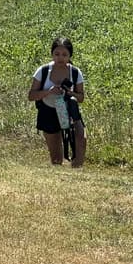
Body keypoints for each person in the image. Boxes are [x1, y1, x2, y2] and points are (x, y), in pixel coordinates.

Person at [27, 36, 86, 168]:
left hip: (69, 111)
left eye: (64, 55)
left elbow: (81, 98)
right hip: (48, 111)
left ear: (70, 55)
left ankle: (77, 170)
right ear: (52, 54)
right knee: (56, 159)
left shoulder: (75, 72)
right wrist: (49, 91)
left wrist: (70, 93)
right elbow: (31, 96)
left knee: (81, 139)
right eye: (57, 54)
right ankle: (59, 174)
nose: (60, 58)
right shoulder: (43, 71)